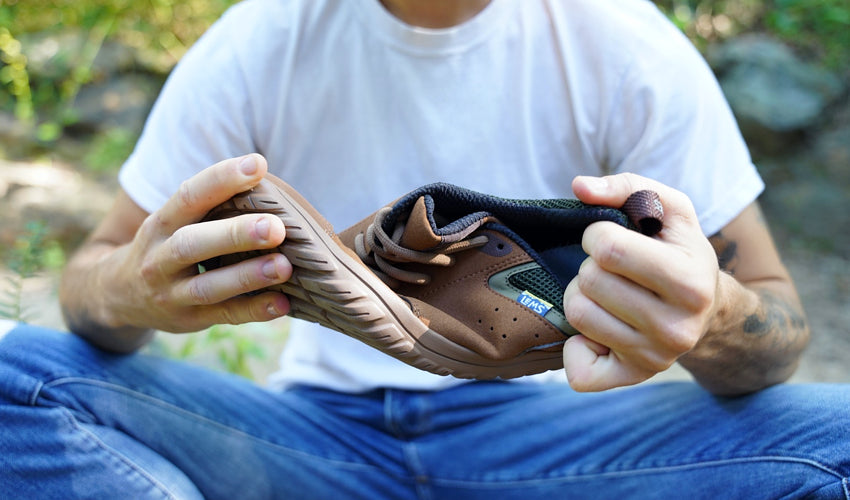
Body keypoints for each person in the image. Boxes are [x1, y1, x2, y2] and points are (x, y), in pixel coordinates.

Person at [1, 0, 847, 498]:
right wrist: (125, 294)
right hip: (306, 443)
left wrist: (713, 314)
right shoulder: (264, 36)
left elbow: (776, 324)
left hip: (555, 446)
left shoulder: (623, 44)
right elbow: (93, 279)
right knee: (14, 380)